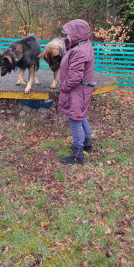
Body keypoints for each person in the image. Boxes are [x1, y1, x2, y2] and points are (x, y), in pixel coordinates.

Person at [58, 19, 95, 164]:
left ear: (77, 34)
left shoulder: (80, 51)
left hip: (77, 90)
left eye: (69, 33)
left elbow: (74, 77)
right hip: (82, 89)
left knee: (74, 120)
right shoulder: (83, 44)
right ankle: (87, 144)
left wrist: (64, 88)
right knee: (80, 116)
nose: (66, 36)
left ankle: (78, 154)